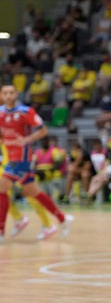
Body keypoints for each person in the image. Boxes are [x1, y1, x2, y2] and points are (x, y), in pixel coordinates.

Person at [0, 85, 73, 241]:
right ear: (1, 95)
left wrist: (27, 139)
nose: (8, 96)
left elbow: (43, 130)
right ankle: (62, 219)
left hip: (22, 157)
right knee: (32, 191)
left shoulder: (26, 111)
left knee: (2, 188)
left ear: (16, 94)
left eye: (11, 92)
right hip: (10, 155)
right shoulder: (0, 113)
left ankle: (2, 230)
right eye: (5, 93)